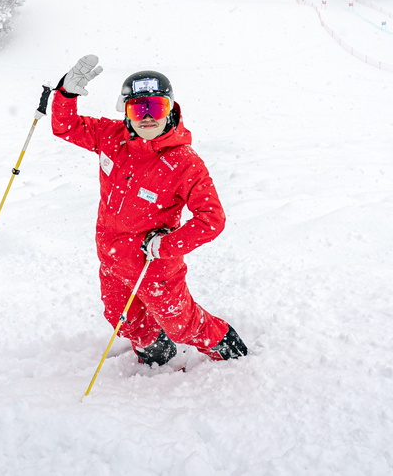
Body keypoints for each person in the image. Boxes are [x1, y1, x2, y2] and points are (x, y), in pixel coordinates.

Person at [52, 54, 247, 366]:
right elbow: (66, 127)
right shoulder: (112, 137)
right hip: (112, 257)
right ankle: (156, 352)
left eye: (155, 107)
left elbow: (212, 219)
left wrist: (166, 245)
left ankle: (229, 349)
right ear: (125, 111)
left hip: (154, 264)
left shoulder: (184, 162)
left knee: (180, 324)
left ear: (169, 110)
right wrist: (66, 94)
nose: (147, 117)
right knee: (122, 317)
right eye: (137, 108)